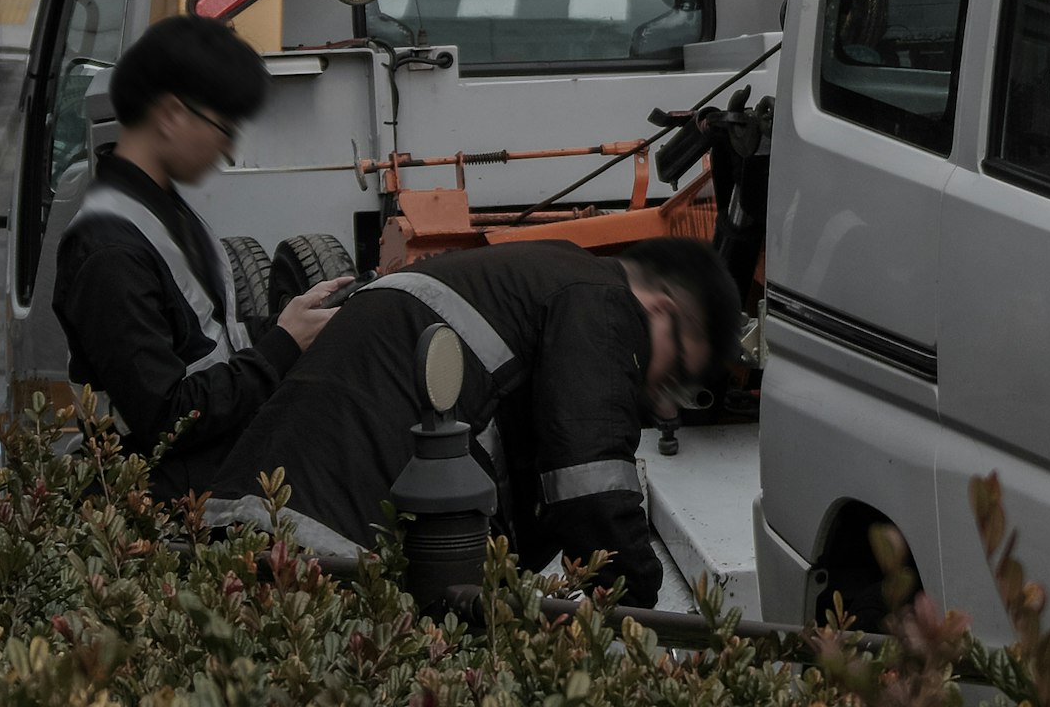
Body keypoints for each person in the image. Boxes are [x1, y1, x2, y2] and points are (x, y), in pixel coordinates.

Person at [211, 235, 739, 604]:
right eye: (677, 380)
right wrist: (637, 613)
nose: (666, 408)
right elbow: (590, 484)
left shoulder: (529, 278)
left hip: (249, 521)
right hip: (327, 548)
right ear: (662, 310)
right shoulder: (600, 299)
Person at [50, 16, 349, 496]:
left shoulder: (160, 210)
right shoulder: (109, 251)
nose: (228, 150)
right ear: (170, 114)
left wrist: (291, 324)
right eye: (223, 127)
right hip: (167, 511)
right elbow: (164, 417)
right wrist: (281, 346)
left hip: (204, 481)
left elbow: (208, 346)